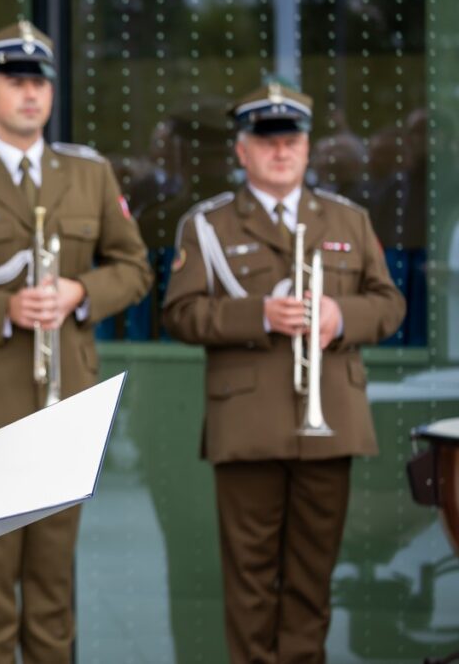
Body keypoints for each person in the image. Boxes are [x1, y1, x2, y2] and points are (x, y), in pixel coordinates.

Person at [0, 22, 152, 664]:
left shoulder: (89, 172)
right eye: (15, 82)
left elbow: (135, 269)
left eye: (39, 81)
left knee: (53, 587)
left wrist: (81, 292)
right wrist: (3, 308)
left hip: (66, 400)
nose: (30, 94)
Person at [162, 81, 406, 664]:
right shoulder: (208, 225)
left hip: (332, 422)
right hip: (247, 425)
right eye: (266, 141)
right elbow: (180, 312)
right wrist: (260, 314)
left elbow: (390, 304)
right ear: (242, 151)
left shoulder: (347, 217)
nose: (281, 151)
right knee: (249, 585)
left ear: (308, 147)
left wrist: (341, 314)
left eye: (291, 140)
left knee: (312, 582)